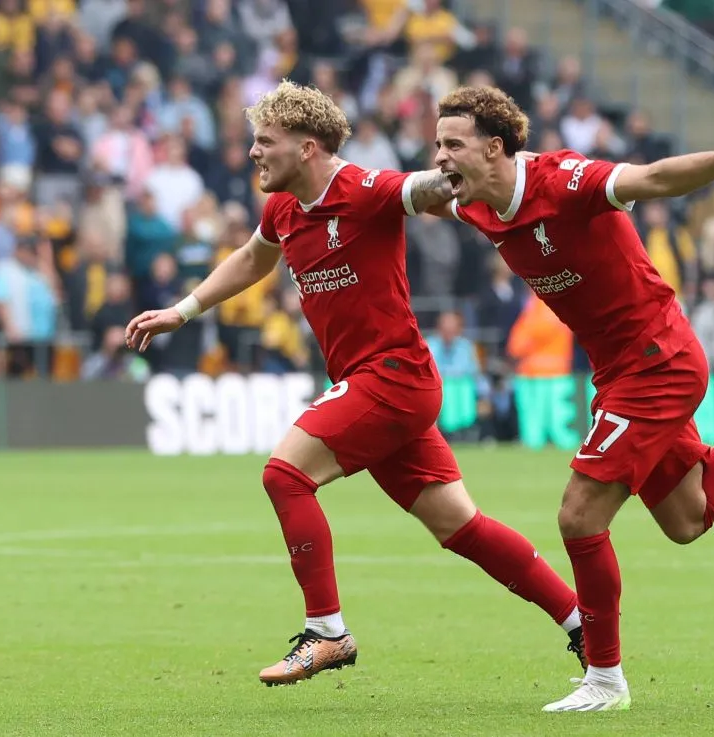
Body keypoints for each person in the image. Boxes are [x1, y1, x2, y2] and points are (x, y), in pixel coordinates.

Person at [125, 82, 585, 688]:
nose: (253, 152)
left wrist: (484, 172)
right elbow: (254, 259)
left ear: (306, 148)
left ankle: (327, 631)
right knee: (460, 526)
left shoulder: (365, 190)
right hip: (376, 384)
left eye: (265, 141)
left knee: (285, 475)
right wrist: (181, 311)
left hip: (392, 376)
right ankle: (582, 622)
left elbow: (427, 188)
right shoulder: (283, 207)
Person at [428, 86, 714, 712]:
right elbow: (407, 194)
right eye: (436, 144)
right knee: (688, 519)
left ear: (494, 148)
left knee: (579, 516)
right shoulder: (474, 203)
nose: (439, 157)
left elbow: (655, 177)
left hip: (658, 360)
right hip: (619, 370)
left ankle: (605, 678)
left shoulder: (565, 181)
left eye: (452, 144)